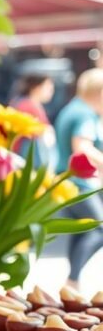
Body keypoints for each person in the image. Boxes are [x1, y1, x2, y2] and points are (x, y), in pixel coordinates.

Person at [54, 68, 103, 287]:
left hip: (68, 183)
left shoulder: (72, 108)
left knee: (81, 229)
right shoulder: (85, 114)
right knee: (100, 228)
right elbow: (82, 147)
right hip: (79, 184)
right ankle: (72, 279)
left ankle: (72, 280)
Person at [12, 74, 57, 170]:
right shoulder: (28, 105)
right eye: (48, 88)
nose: (51, 92)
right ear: (36, 87)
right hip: (26, 157)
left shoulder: (24, 102)